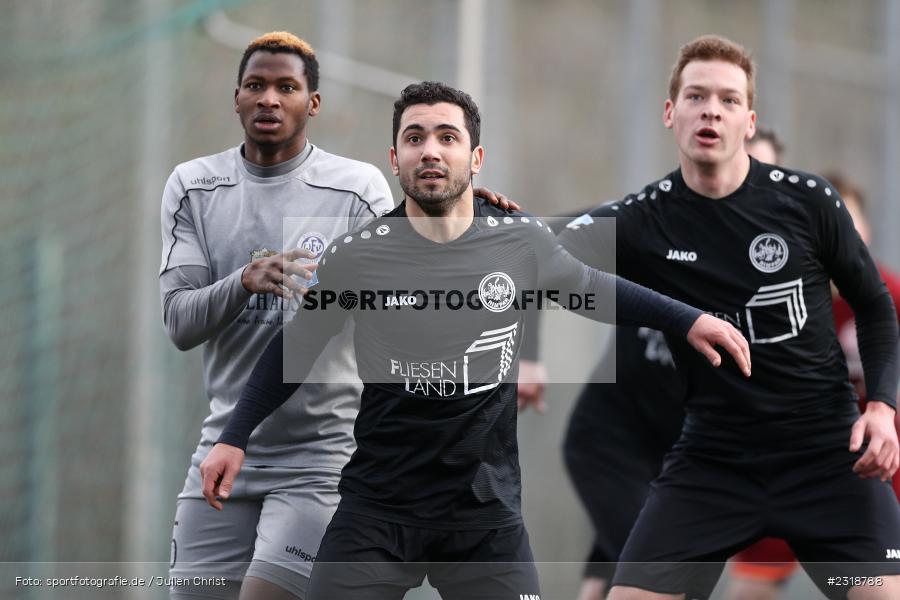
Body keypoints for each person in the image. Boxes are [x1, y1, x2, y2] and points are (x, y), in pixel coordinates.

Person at [199, 81, 750, 600]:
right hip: (377, 511)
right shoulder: (359, 255)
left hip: (484, 517)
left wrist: (687, 319)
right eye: (414, 138)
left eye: (447, 137)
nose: (430, 151)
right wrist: (234, 435)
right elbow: (294, 349)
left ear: (476, 159)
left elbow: (592, 288)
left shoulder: (518, 241)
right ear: (395, 160)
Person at [557, 35, 900, 600]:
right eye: (696, 96)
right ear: (671, 113)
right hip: (713, 465)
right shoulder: (646, 219)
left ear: (748, 119)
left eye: (728, 99)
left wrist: (883, 408)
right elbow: (553, 264)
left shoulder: (808, 201)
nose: (711, 109)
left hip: (826, 461)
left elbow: (875, 304)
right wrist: (681, 317)